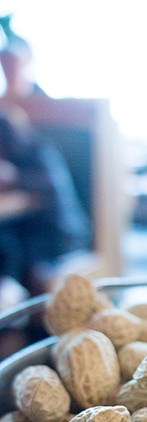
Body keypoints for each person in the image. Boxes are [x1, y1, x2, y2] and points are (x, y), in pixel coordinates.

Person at [0, 106, 90, 294]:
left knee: (8, 247)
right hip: (27, 230)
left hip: (60, 234)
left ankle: (11, 303)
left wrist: (14, 176)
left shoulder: (39, 150)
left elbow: (50, 187)